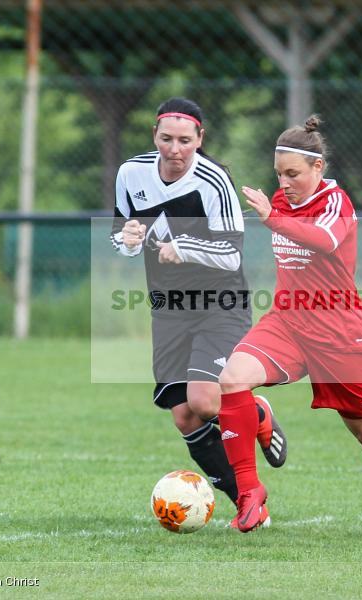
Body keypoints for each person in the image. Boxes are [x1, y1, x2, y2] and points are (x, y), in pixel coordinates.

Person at [217, 115, 362, 539]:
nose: (284, 183)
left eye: (293, 173)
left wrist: (272, 219)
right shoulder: (279, 202)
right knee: (232, 378)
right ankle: (249, 493)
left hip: (339, 333)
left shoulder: (337, 203)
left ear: (318, 167)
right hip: (287, 322)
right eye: (279, 174)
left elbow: (324, 240)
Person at [111, 97, 287, 525]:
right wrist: (127, 239)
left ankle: (257, 413)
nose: (175, 149)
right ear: (154, 135)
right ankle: (248, 502)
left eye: (185, 141)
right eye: (166, 139)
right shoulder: (131, 173)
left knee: (206, 401)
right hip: (169, 306)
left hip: (219, 303)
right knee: (185, 416)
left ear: (200, 139)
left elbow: (231, 253)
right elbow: (121, 232)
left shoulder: (213, 181)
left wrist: (184, 246)